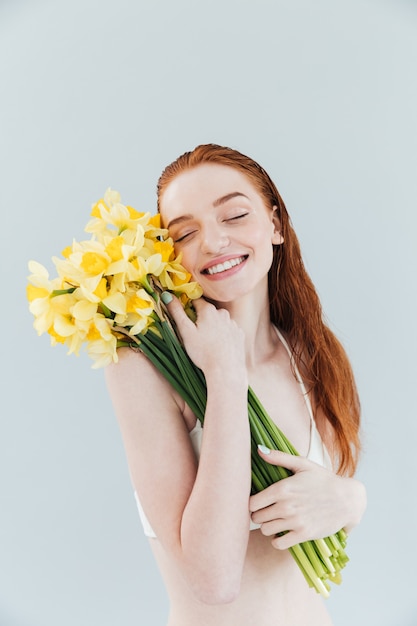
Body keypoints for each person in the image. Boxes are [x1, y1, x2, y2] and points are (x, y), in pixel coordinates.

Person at [105, 144, 367, 626]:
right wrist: (224, 378)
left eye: (234, 215)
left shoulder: (311, 352)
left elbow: (322, 516)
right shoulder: (144, 369)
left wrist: (352, 500)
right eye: (185, 233)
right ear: (167, 256)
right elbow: (214, 581)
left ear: (275, 224)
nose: (213, 242)